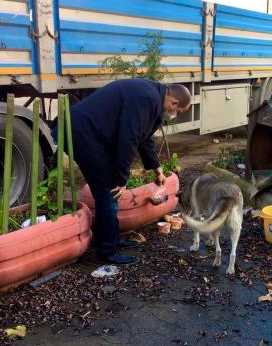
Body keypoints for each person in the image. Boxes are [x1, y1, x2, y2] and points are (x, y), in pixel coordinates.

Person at [54, 79, 191, 264]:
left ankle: (112, 238)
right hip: (83, 133)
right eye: (178, 112)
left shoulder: (154, 97)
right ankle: (106, 251)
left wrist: (156, 167)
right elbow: (128, 138)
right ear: (174, 103)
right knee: (109, 190)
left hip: (91, 134)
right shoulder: (147, 98)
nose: (174, 115)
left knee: (109, 193)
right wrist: (121, 178)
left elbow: (144, 137)